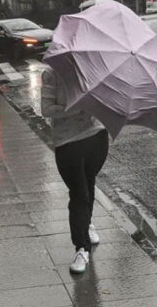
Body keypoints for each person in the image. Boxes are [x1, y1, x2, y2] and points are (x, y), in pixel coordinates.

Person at [41, 66, 109, 274]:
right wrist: (76, 106)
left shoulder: (94, 70)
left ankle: (86, 224)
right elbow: (46, 110)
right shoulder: (52, 74)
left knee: (88, 184)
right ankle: (81, 248)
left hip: (96, 136)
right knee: (79, 193)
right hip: (67, 142)